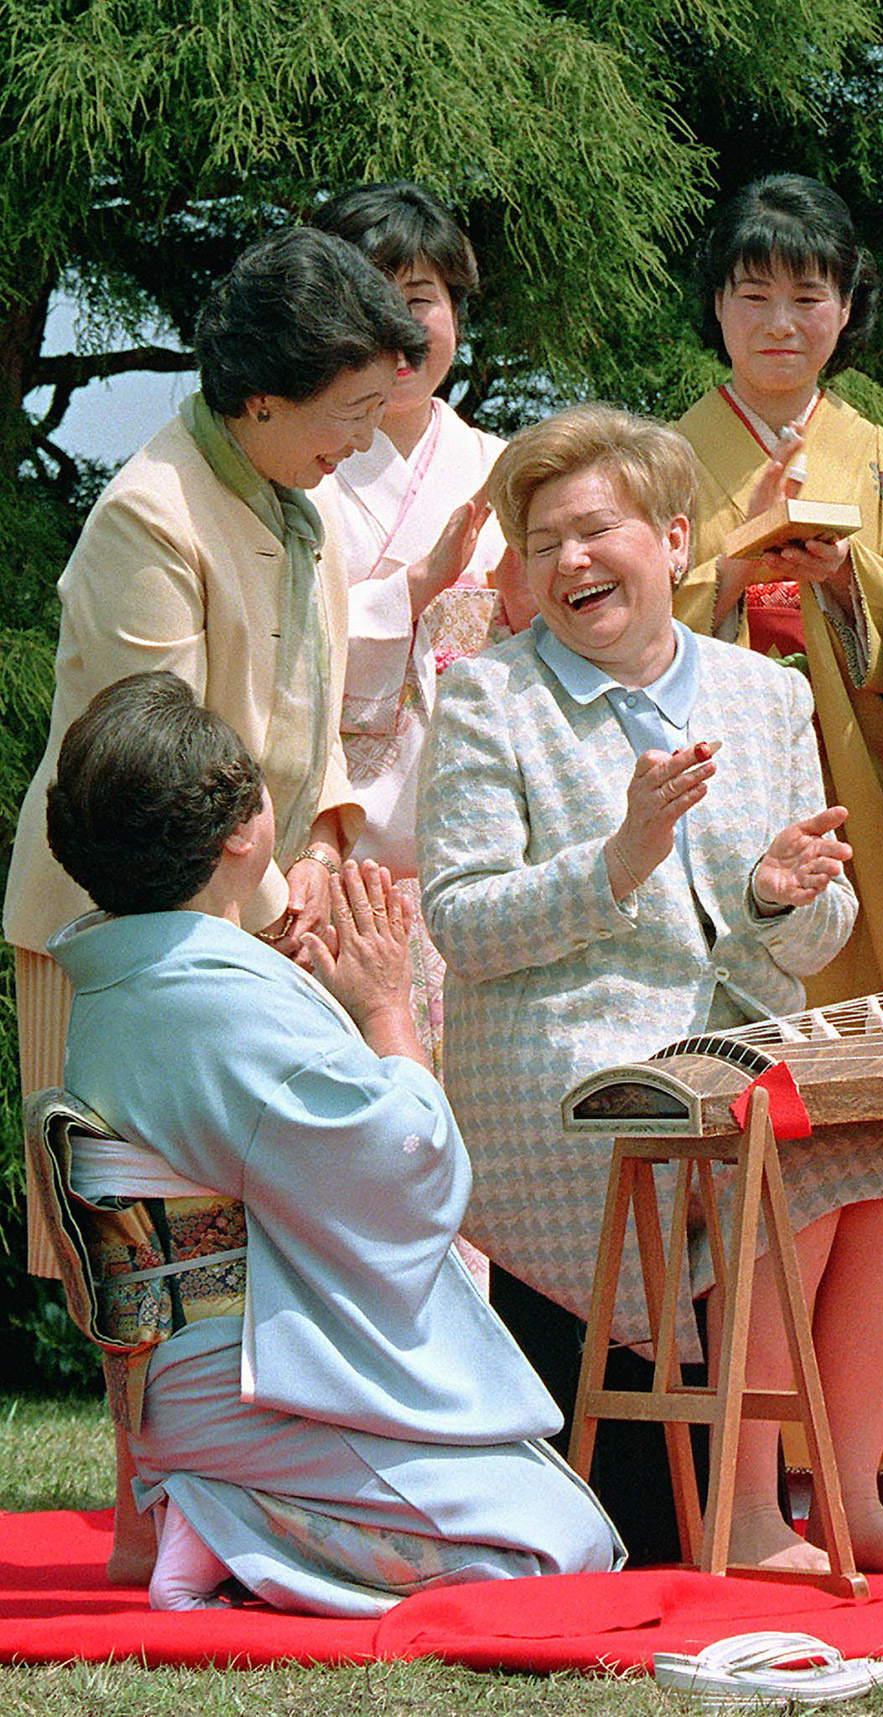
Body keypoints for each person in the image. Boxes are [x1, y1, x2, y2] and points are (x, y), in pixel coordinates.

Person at [420, 403, 883, 1576]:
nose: (570, 560)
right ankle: (747, 1510)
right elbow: (461, 926)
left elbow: (816, 927)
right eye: (542, 542)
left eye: (596, 529)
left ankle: (850, 1499)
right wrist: (616, 860)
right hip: (561, 1067)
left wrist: (782, 897)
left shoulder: (761, 694)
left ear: (674, 542)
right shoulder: (488, 696)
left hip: (728, 1049)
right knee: (790, 1165)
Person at [3, 224, 426, 1576]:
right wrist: (263, 895)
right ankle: (150, 1509)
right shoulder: (153, 511)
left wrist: (313, 859)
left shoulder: (289, 494)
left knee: (244, 1222)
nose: (363, 439)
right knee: (138, 1217)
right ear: (260, 399)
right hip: (129, 927)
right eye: (349, 411)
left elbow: (312, 730)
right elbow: (151, 766)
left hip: (248, 906)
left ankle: (239, 1499)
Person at [36, 670, 621, 1615]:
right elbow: (409, 1175)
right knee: (558, 1547)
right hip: (250, 1388)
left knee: (543, 1502)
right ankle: (225, 1520)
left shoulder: (130, 973)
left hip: (204, 1373)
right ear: (241, 831)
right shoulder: (216, 1000)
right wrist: (387, 1006)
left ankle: (210, 1504)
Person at [673, 173, 883, 1517]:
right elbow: (617, 614)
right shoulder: (665, 456)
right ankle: (738, 1457)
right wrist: (721, 578)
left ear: (848, 307)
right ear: (717, 303)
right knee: (751, 1125)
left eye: (808, 293)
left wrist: (857, 592)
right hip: (730, 831)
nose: (780, 320)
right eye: (754, 292)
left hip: (870, 824)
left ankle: (881, 1455)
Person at [311, 183, 523, 1071]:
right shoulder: (302, 469)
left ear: (456, 315)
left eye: (421, 302)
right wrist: (414, 589)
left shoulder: (504, 466)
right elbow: (290, 648)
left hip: (481, 855)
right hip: (337, 854)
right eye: (373, 303)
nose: (401, 333)